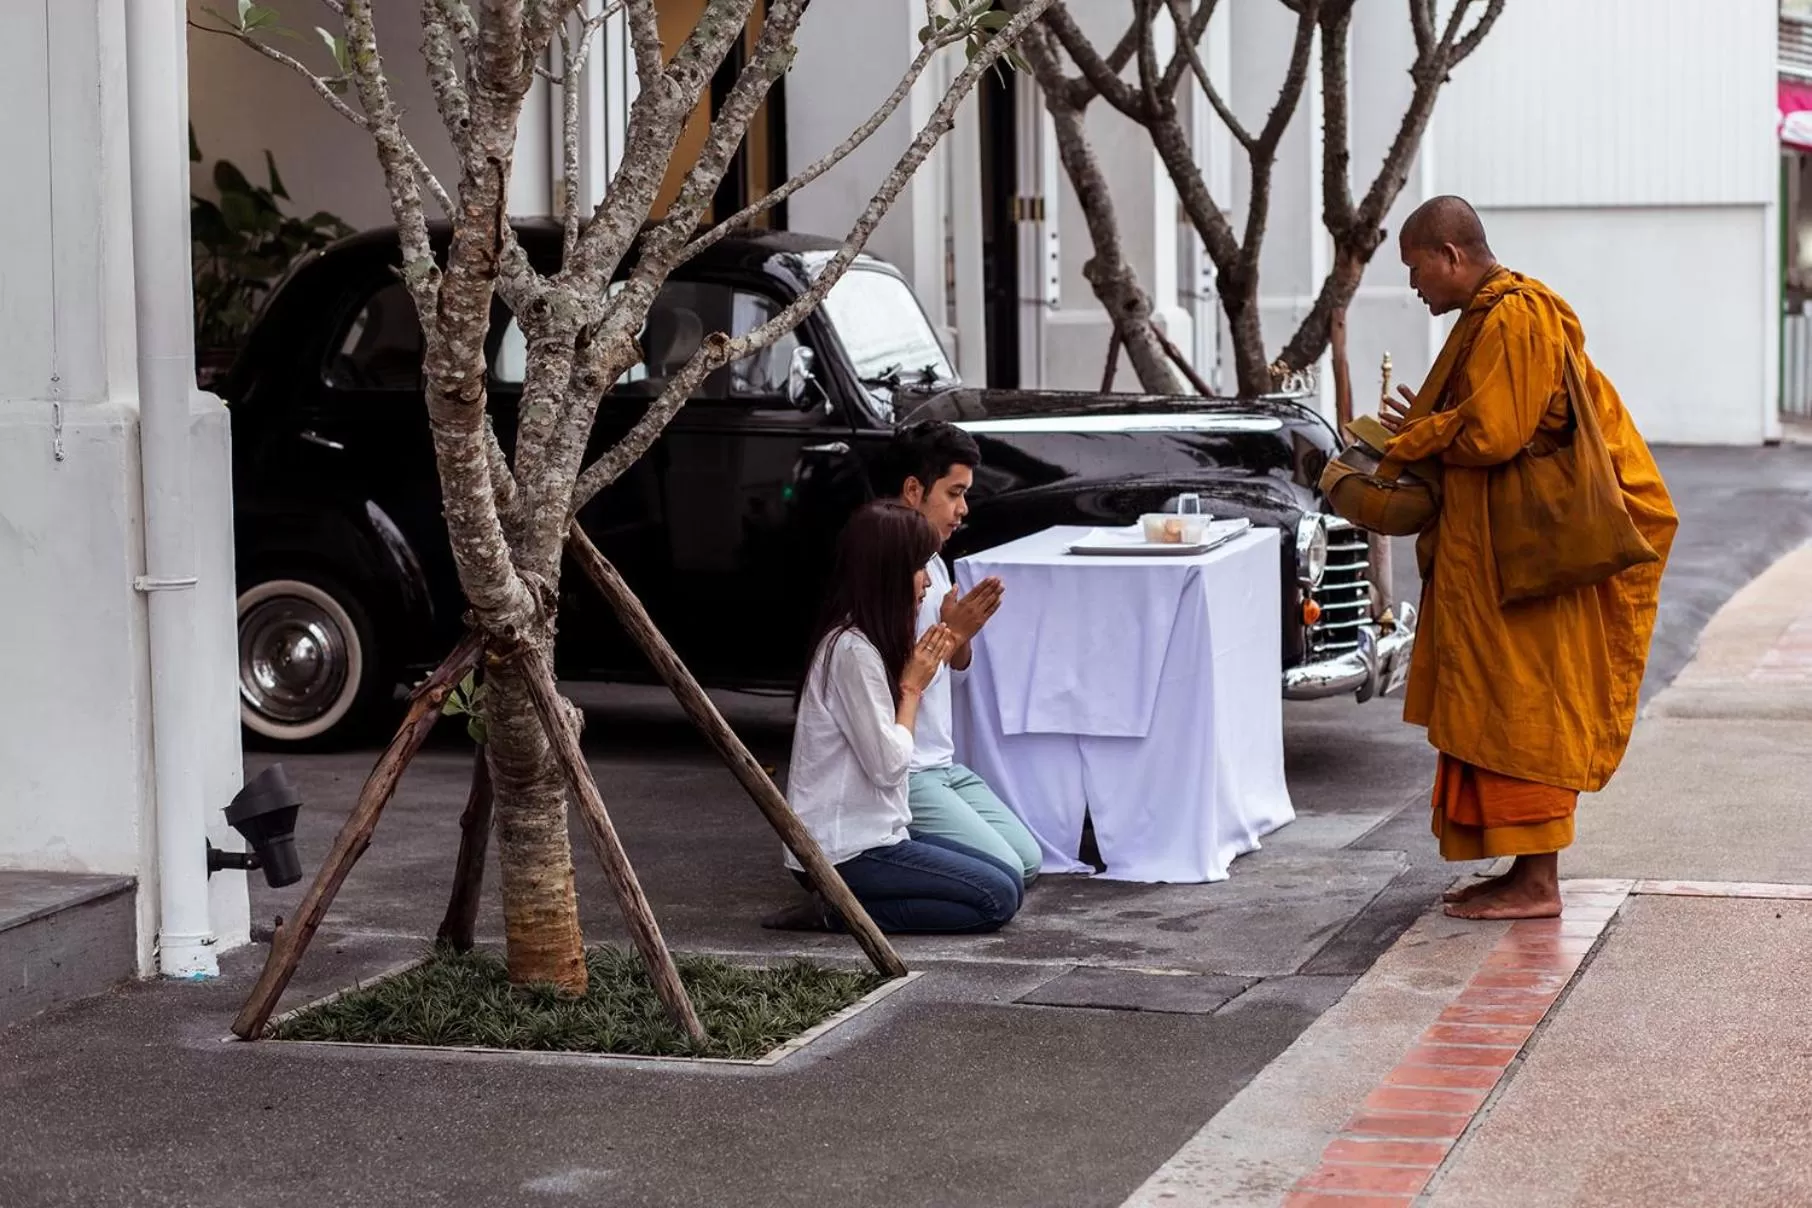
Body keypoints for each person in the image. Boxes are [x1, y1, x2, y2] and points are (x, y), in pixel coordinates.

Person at [1377, 195, 1678, 921]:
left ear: (1451, 255)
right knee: (1496, 697)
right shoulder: (1493, 317)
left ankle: (1538, 884)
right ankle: (1522, 871)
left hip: (1534, 552)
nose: (1415, 287)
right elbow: (1490, 418)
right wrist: (1430, 423)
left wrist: (1416, 437)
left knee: (1523, 703)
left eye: (1417, 269)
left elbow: (1494, 435)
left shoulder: (1515, 313)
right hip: (1501, 550)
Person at [769, 500, 1024, 933]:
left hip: (881, 834)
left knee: (1010, 880)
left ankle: (854, 905)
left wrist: (950, 641)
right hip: (841, 852)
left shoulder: (872, 639)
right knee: (995, 899)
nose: (926, 581)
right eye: (917, 568)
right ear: (887, 575)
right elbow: (889, 768)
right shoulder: (851, 651)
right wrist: (911, 691)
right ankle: (837, 913)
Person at [872, 421, 1043, 887]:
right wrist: (949, 631)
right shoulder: (886, 565)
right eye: (954, 493)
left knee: (1028, 860)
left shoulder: (934, 562)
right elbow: (884, 679)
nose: (963, 510)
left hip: (942, 765)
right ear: (913, 489)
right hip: (907, 769)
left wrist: (960, 635)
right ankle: (883, 850)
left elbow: (954, 675)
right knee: (1004, 873)